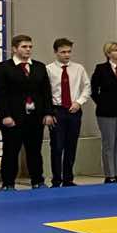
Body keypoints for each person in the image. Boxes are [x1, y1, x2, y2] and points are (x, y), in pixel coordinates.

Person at [0, 33, 54, 190]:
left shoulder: (39, 67)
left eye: (30, 47)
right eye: (24, 47)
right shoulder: (3, 67)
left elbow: (46, 92)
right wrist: (5, 115)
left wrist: (48, 113)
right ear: (14, 49)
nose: (28, 50)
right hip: (13, 118)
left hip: (35, 117)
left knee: (35, 151)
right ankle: (8, 183)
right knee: (11, 151)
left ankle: (37, 181)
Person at [45, 37, 89, 187]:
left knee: (71, 145)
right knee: (57, 146)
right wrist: (49, 112)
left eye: (69, 52)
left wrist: (79, 102)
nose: (66, 55)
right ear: (55, 52)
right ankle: (56, 179)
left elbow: (87, 87)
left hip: (74, 109)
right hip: (57, 110)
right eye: (63, 52)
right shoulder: (49, 69)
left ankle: (68, 179)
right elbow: (45, 92)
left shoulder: (78, 68)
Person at [90, 41, 117, 183]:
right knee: (109, 143)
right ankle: (109, 175)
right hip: (106, 112)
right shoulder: (101, 68)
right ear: (108, 54)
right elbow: (93, 90)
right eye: (115, 50)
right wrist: (103, 102)